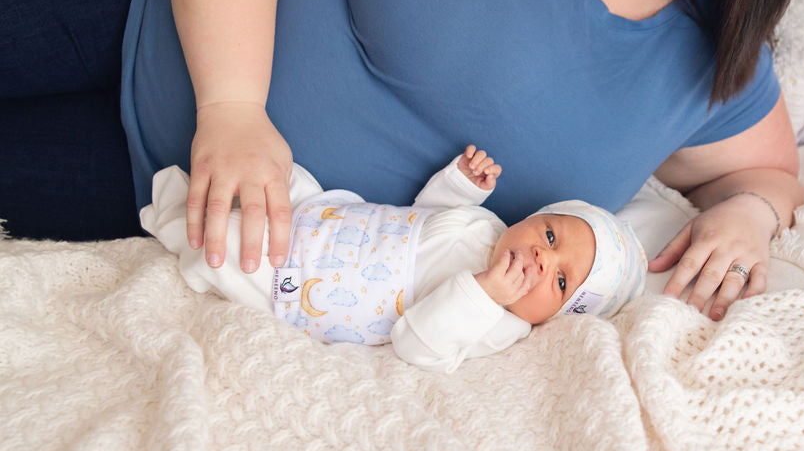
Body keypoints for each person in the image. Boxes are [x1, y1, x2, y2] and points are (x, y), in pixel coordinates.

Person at [0, 0, 804, 324]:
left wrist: (750, 215)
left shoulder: (714, 55)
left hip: (163, 197)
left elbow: (769, 174)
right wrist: (233, 110)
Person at [142, 145, 648, 372]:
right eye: (552, 236)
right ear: (538, 218)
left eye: (560, 284)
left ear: (553, 318)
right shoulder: (488, 226)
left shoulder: (496, 322)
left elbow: (417, 344)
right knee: (278, 176)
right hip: (329, 220)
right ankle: (208, 185)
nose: (541, 259)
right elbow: (426, 217)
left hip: (303, 282)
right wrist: (461, 186)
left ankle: (170, 219)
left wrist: (483, 292)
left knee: (229, 251)